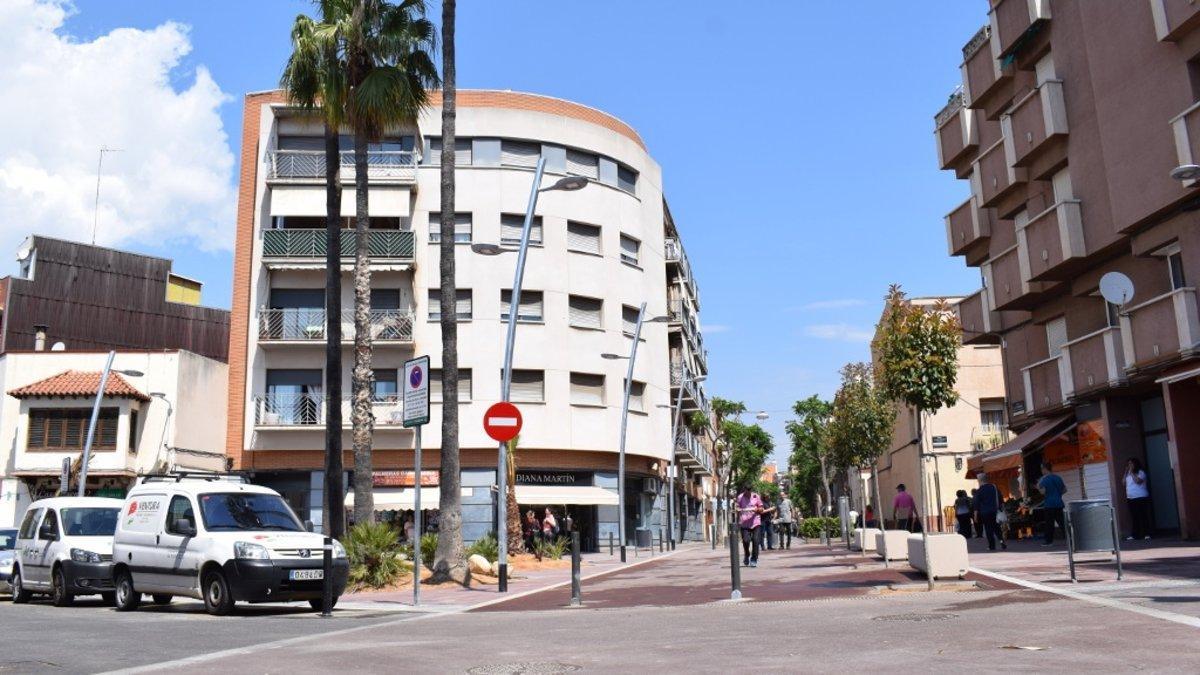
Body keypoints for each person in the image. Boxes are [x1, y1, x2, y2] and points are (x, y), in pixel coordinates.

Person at [974, 473, 1006, 551]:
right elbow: (1001, 499)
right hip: (995, 511)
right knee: (997, 528)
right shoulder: (994, 487)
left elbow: (976, 504)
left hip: (985, 513)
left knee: (988, 529)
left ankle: (992, 546)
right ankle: (1002, 542)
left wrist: (975, 515)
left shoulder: (979, 491)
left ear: (980, 480)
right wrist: (1002, 509)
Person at [1037, 462, 1067, 546]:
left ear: (1045, 469)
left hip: (1049, 504)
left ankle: (1049, 541)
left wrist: (1038, 486)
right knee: (1062, 523)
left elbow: (1043, 492)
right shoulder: (1058, 478)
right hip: (1059, 503)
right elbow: (1065, 490)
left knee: (1049, 524)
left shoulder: (1044, 479)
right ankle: (1070, 538)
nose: (1041, 471)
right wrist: (1058, 495)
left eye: (1042, 469)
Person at [735, 484, 764, 567]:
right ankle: (747, 555)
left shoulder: (756, 496)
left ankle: (754, 558)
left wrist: (757, 509)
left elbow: (761, 508)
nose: (748, 492)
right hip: (744, 523)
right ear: (744, 489)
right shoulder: (740, 497)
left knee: (756, 540)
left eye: (749, 490)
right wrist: (737, 510)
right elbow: (737, 508)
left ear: (751, 490)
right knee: (746, 541)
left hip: (755, 522)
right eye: (746, 490)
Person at [1124, 458, 1153, 541]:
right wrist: (1126, 472)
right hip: (1130, 498)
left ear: (1135, 464)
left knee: (1143, 516)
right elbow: (1123, 482)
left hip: (1141, 497)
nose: (1129, 466)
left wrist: (1132, 473)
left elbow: (1138, 481)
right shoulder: (1128, 474)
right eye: (1128, 464)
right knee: (1134, 517)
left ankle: (1147, 534)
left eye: (1131, 464)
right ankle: (1135, 535)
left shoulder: (1141, 472)